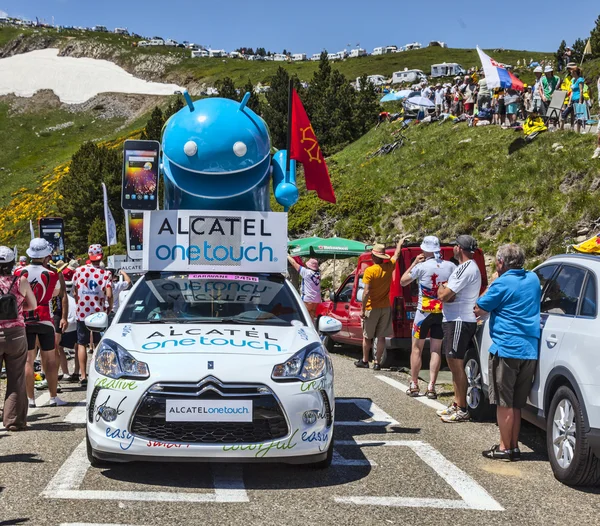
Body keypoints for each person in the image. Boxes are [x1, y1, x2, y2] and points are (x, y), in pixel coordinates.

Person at [474, 245, 540, 460]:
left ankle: (504, 447)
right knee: (518, 404)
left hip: (506, 347)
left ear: (501, 262)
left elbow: (479, 308)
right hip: (529, 349)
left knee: (504, 403)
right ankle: (513, 446)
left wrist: (493, 281)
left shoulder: (502, 283)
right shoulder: (533, 279)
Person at [400, 236, 456, 398]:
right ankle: (431, 386)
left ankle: (414, 384)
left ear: (425, 250)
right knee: (436, 349)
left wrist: (414, 263)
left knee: (416, 349)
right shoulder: (451, 266)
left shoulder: (422, 266)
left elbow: (403, 281)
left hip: (423, 313)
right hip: (441, 312)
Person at [15, 239, 68, 408]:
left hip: (24, 318)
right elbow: (58, 293)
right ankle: (53, 397)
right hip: (45, 317)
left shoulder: (19, 271)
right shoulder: (51, 273)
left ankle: (30, 399)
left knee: (28, 360)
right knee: (50, 359)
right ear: (46, 256)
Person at [436, 235, 482, 423]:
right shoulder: (463, 268)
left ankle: (462, 408)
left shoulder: (467, 268)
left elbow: (446, 295)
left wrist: (441, 288)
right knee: (452, 363)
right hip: (454, 320)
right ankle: (457, 403)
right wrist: (444, 290)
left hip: (459, 320)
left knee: (456, 364)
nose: (453, 248)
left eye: (455, 245)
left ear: (459, 248)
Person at [0, 247, 37, 431]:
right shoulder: (20, 280)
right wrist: (20, 309)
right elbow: (33, 304)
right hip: (16, 333)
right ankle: (14, 420)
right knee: (16, 377)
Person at [356, 240, 402, 371]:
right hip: (385, 307)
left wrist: (363, 309)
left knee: (367, 336)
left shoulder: (370, 271)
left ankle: (365, 360)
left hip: (371, 307)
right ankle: (377, 362)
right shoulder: (388, 267)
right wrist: (399, 244)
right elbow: (396, 255)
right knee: (381, 336)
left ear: (374, 257)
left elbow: (366, 292)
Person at [72, 244, 113, 386]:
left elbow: (75, 291)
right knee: (98, 343)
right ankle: (100, 373)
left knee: (82, 343)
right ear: (101, 255)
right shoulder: (106, 273)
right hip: (98, 314)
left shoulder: (78, 271)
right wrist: (110, 307)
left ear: (89, 255)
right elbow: (109, 294)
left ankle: (83, 375)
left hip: (82, 312)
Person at [287, 256, 321, 322]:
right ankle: (313, 329)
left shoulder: (306, 272)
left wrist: (288, 255)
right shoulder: (318, 274)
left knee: (304, 317)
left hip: (308, 299)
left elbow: (294, 263)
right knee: (312, 317)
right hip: (317, 299)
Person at [561, 66, 585, 132]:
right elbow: (572, 91)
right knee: (564, 113)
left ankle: (578, 131)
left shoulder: (580, 80)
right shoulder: (573, 80)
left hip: (578, 98)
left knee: (578, 115)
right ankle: (561, 128)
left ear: (574, 72)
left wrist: (580, 101)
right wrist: (569, 101)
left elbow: (581, 90)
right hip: (573, 98)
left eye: (571, 72)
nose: (570, 73)